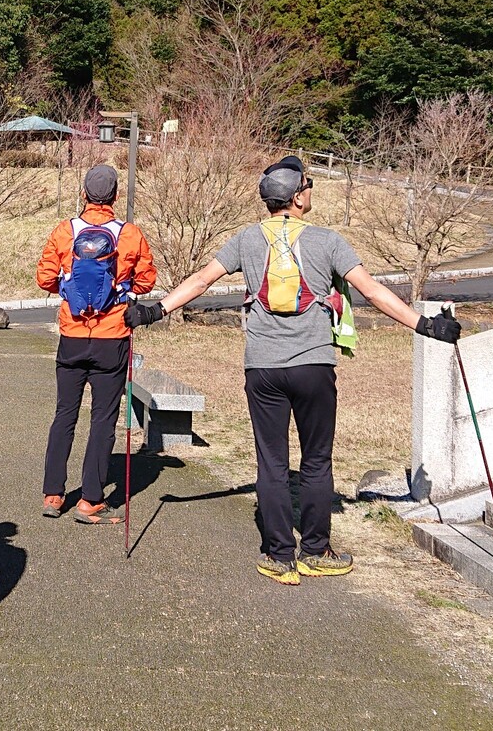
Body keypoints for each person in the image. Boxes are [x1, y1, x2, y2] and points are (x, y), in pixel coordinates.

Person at [125, 155, 461, 585]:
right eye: (308, 186)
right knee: (316, 460)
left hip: (262, 367)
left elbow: (201, 281)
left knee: (272, 462)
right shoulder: (328, 241)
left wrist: (154, 311)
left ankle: (279, 555)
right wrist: (426, 326)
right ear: (297, 198)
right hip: (313, 364)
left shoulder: (246, 239)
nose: (310, 192)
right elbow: (373, 292)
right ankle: (316, 552)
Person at [34, 164, 156, 523]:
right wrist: (122, 288)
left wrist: (69, 289)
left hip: (72, 335)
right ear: (115, 196)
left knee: (64, 414)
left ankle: (53, 495)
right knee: (103, 418)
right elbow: (147, 280)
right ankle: (90, 500)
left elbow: (44, 278)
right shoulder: (129, 234)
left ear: (84, 194)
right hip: (112, 337)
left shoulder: (65, 231)